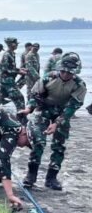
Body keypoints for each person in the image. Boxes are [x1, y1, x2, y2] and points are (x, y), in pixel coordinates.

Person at [20, 53, 87, 191]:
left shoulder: (79, 85)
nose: (66, 74)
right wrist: (28, 109)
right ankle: (31, 176)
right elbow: (35, 95)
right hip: (44, 109)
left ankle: (51, 178)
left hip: (63, 112)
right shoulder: (48, 78)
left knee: (59, 145)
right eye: (63, 71)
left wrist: (57, 123)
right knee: (38, 141)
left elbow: (72, 107)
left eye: (69, 73)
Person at [0, 37, 26, 111]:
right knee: (20, 98)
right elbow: (4, 69)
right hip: (7, 82)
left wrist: (19, 69)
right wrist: (18, 72)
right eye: (15, 43)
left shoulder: (12, 54)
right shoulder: (7, 55)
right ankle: (21, 115)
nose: (17, 45)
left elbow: (11, 67)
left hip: (6, 81)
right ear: (11, 44)